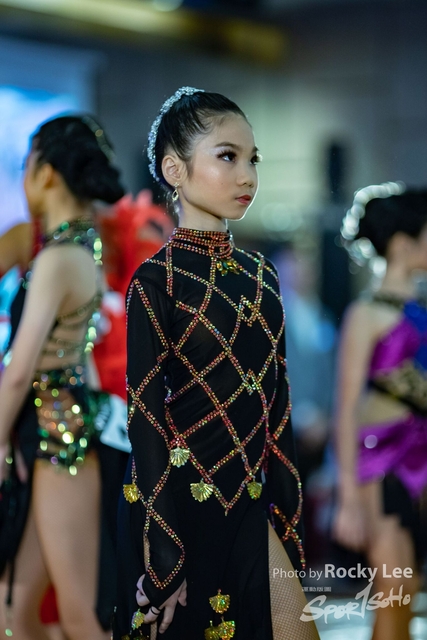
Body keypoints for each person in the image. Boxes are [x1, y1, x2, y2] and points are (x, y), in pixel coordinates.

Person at [114, 87, 320, 640]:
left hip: (249, 506)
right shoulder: (154, 282)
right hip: (173, 509)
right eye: (227, 156)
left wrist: (288, 519)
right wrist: (164, 554)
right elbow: (145, 419)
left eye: (253, 159)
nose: (247, 176)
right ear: (174, 170)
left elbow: (278, 409)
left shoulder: (262, 276)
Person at [0, 114, 125, 639]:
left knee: (78, 616)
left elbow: (18, 370)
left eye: (26, 165)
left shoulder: (59, 257)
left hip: (58, 443)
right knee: (13, 610)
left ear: (46, 172)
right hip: (56, 436)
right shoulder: (80, 249)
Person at [334, 183, 427, 640]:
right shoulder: (366, 313)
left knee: (410, 590)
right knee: (394, 588)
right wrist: (347, 498)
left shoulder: (420, 309)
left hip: (422, 456)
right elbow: (346, 407)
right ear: (404, 243)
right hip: (382, 461)